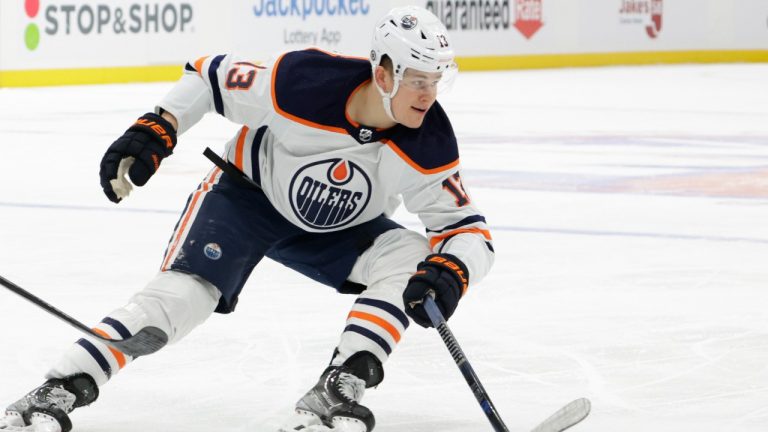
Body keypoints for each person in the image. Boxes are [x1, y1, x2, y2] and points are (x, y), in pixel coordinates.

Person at [0, 5, 494, 432]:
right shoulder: (301, 83)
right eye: (416, 80)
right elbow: (208, 75)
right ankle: (56, 389)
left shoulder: (430, 143)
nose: (428, 95)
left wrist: (454, 269)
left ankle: (338, 388)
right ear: (383, 73)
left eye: (436, 80)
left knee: (414, 257)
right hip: (247, 199)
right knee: (183, 298)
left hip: (342, 228)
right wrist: (159, 125)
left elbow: (469, 231)